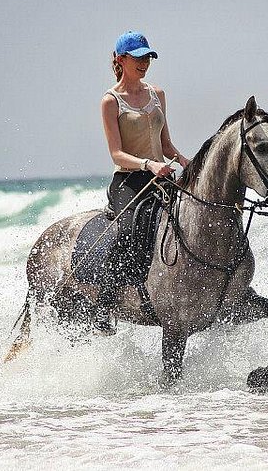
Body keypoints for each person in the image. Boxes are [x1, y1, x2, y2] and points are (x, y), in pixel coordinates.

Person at [96, 31, 189, 334]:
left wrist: (186, 161)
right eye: (138, 57)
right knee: (130, 227)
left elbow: (166, 145)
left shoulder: (157, 94)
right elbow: (116, 153)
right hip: (128, 180)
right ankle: (106, 300)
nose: (144, 63)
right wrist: (149, 164)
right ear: (121, 59)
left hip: (161, 174)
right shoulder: (111, 101)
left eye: (147, 57)